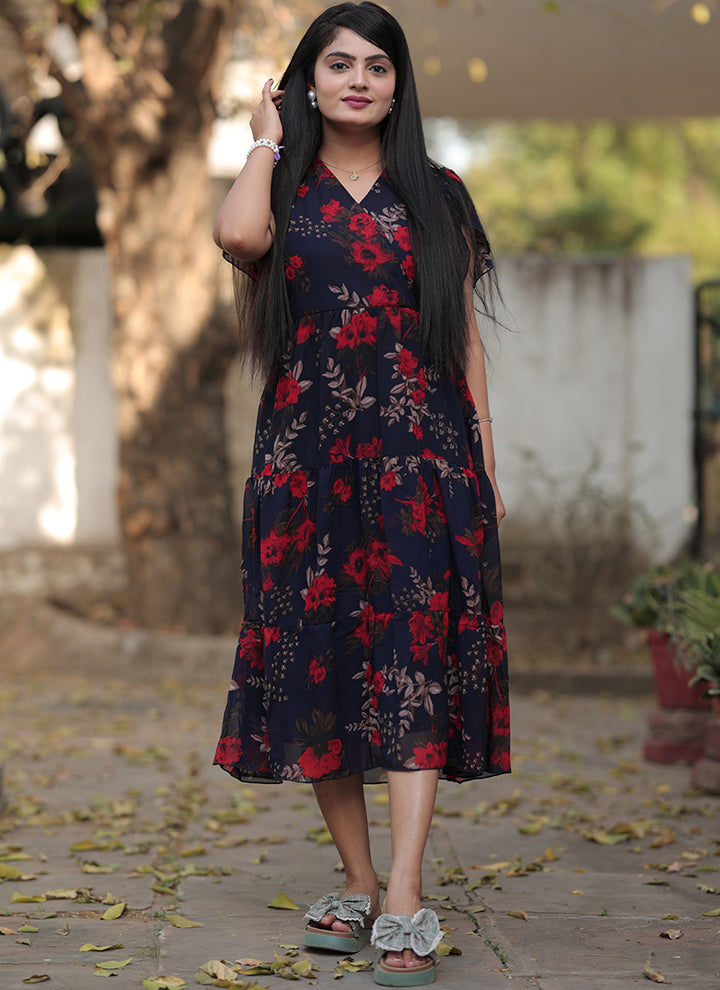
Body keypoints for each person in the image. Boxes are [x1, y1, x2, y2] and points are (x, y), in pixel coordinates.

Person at [212, 3, 510, 985]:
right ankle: (358, 877)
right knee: (318, 661)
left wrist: (486, 466)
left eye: (376, 67)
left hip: (423, 454)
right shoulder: (285, 184)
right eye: (336, 64)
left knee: (414, 659)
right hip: (306, 456)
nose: (357, 80)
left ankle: (408, 894)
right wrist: (266, 134)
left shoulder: (440, 194)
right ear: (310, 79)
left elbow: (461, 336)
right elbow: (237, 238)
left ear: (397, 84)